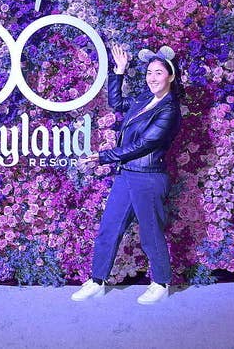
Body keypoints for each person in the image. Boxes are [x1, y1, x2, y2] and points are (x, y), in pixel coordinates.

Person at [71, 43, 182, 305]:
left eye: (158, 72)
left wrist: (103, 156)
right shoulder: (145, 100)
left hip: (149, 177)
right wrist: (119, 72)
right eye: (149, 73)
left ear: (171, 76)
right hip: (127, 175)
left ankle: (161, 283)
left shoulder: (169, 110)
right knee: (109, 228)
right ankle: (97, 281)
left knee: (151, 233)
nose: (152, 78)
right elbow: (117, 102)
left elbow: (144, 144)